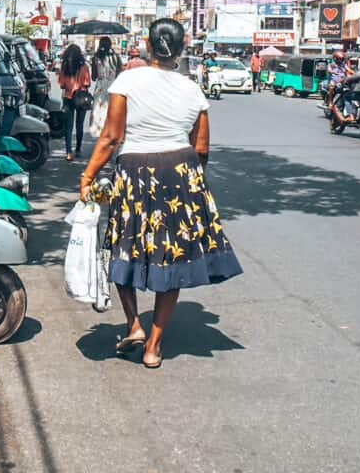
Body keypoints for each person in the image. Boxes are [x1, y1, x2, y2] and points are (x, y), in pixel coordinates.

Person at [79, 18, 242, 369]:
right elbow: (201, 148)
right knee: (172, 256)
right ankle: (153, 347)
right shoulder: (193, 91)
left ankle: (134, 325)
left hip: (135, 170)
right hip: (181, 173)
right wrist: (192, 186)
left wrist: (88, 176)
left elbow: (110, 136)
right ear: (182, 50)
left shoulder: (128, 80)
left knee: (124, 246)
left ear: (147, 46)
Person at [58, 43, 92, 161]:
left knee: (68, 127)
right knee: (80, 125)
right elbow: (87, 83)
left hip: (68, 97)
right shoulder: (84, 67)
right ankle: (78, 149)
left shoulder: (64, 66)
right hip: (81, 98)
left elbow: (61, 84)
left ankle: (68, 152)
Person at [90, 36, 122, 135]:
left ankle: (100, 132)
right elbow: (119, 73)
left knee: (99, 110)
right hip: (113, 86)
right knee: (112, 109)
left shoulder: (96, 58)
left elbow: (94, 77)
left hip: (100, 87)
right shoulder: (116, 57)